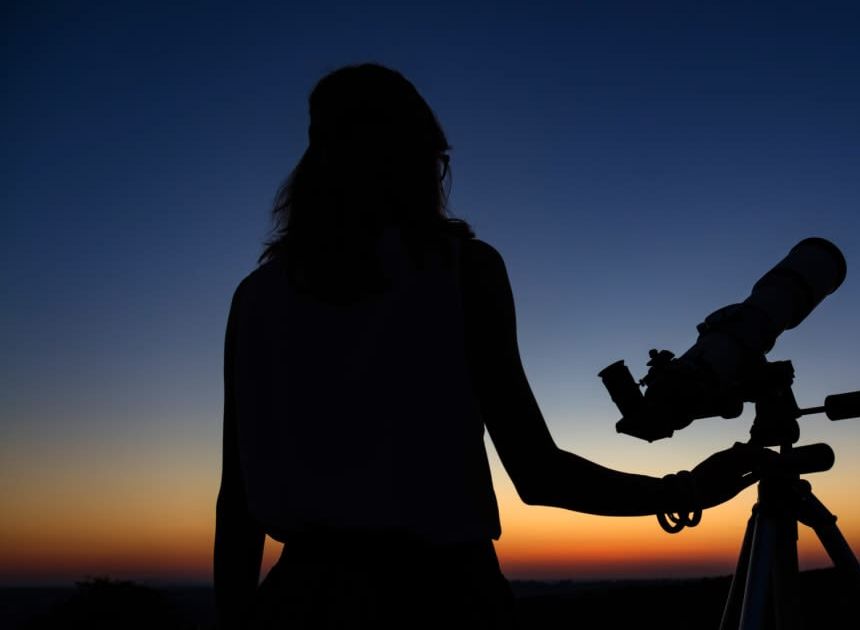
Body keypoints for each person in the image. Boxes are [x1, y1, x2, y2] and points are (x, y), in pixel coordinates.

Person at [213, 63, 772, 629]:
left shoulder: (255, 295)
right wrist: (688, 489)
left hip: (298, 600)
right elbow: (537, 473)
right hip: (445, 595)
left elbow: (236, 503)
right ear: (422, 158)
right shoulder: (464, 271)